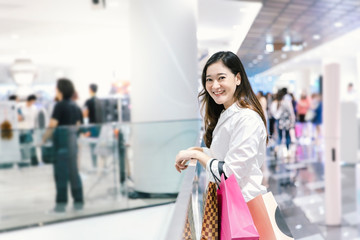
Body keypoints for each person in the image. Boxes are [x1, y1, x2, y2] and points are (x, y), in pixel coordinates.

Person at [175, 51, 267, 202]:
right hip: (232, 203)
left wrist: (198, 155)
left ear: (237, 78)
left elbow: (230, 174)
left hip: (244, 207)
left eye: (221, 78)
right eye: (209, 79)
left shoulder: (247, 119)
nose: (215, 85)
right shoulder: (228, 113)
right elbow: (222, 155)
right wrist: (195, 151)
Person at [43, 78, 84, 212]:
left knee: (60, 175)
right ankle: (79, 201)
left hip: (61, 145)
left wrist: (43, 139)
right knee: (74, 174)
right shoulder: (75, 106)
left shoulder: (59, 105)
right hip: (72, 145)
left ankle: (61, 205)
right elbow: (78, 126)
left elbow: (52, 125)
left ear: (60, 90)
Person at [83, 84, 103, 168]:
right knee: (100, 145)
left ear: (90, 89)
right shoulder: (100, 101)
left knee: (93, 146)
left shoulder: (88, 101)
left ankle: (94, 165)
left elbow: (85, 114)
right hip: (100, 126)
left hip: (92, 127)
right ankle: (102, 164)